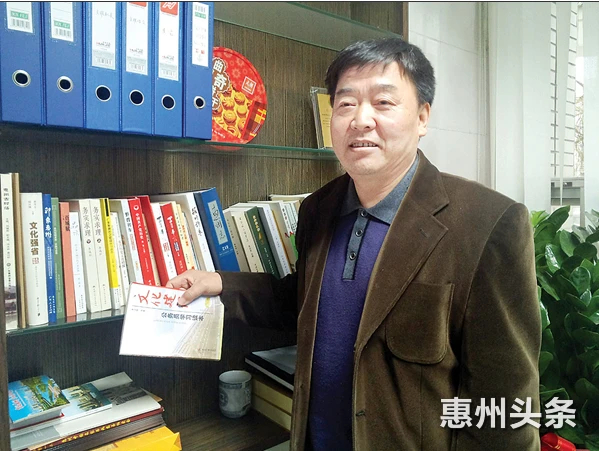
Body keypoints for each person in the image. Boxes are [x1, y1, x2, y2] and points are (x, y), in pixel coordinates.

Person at [167, 37, 541, 450]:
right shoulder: (318, 209)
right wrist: (222, 283)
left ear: (422, 117)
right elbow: (305, 302)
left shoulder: (487, 224)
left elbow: (506, 408)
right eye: (345, 104)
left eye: (383, 102)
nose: (361, 120)